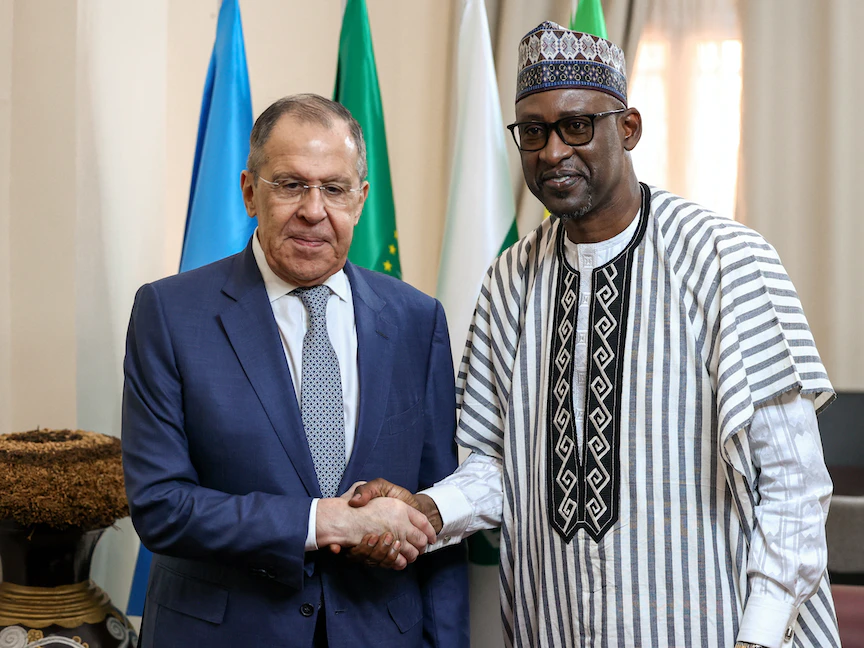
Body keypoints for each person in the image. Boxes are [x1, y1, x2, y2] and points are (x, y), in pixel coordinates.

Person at [347, 22, 840, 648]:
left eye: (577, 126)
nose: (553, 151)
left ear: (628, 128)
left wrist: (759, 638)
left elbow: (793, 485)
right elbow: (499, 467)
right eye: (533, 132)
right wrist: (427, 510)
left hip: (716, 630)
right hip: (552, 626)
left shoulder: (724, 259)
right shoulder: (508, 280)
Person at [121, 94, 468, 648]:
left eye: (334, 188)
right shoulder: (170, 313)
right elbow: (162, 506)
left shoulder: (416, 319)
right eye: (290, 184)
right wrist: (326, 521)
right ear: (249, 193)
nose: (313, 209)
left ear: (361, 200)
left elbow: (440, 509)